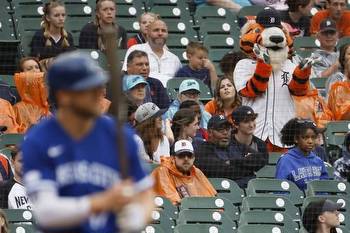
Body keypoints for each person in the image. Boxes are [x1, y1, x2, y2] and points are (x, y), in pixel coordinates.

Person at [21, 51, 154, 233]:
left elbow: (145, 194)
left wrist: (135, 219)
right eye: (88, 88)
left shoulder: (120, 135)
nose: (98, 93)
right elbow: (46, 212)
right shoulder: (39, 139)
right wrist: (103, 202)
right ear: (64, 95)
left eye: (98, 86)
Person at [194, 115, 267, 188]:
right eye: (220, 129)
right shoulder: (203, 150)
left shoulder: (236, 145)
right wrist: (249, 170)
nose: (225, 132)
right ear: (210, 132)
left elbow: (260, 159)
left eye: (228, 128)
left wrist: (233, 162)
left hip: (246, 191)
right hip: (220, 192)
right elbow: (222, 171)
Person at [152, 140, 217, 205]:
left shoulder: (197, 172)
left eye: (189, 155)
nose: (186, 159)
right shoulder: (163, 171)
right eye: (181, 155)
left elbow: (212, 198)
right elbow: (172, 201)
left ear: (193, 158)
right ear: (174, 158)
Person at [122, 20, 182, 87]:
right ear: (147, 34)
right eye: (156, 30)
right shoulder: (136, 49)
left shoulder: (174, 59)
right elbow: (126, 75)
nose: (160, 33)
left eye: (163, 31)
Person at [275, 118, 329, 191]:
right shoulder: (286, 161)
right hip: (295, 201)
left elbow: (325, 188)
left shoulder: (318, 161)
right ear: (296, 139)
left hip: (317, 200)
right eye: (305, 137)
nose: (310, 141)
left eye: (313, 137)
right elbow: (280, 189)